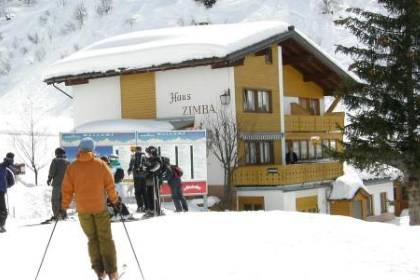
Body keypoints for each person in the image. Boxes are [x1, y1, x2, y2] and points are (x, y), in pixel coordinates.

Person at [61, 137, 121, 280]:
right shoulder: (101, 165)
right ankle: (112, 272)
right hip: (100, 208)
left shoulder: (72, 167)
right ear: (93, 149)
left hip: (83, 210)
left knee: (92, 239)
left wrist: (63, 207)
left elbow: (67, 189)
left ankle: (99, 271)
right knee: (105, 239)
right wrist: (115, 201)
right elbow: (110, 185)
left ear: (80, 149)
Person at [46, 147, 69, 222]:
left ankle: (57, 215)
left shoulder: (56, 160)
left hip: (57, 184)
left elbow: (52, 170)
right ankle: (64, 215)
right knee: (63, 200)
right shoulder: (68, 161)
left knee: (55, 200)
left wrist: (49, 179)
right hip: (66, 184)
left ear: (57, 153)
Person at [144, 146, 165, 218]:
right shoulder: (150, 159)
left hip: (156, 179)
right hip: (150, 180)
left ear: (153, 152)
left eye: (149, 153)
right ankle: (151, 209)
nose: (148, 154)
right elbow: (149, 167)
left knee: (155, 195)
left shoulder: (158, 158)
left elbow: (156, 167)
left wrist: (148, 168)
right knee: (149, 195)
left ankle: (157, 210)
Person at [127, 147, 147, 212]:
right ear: (141, 150)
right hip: (144, 176)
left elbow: (131, 164)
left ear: (136, 150)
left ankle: (140, 206)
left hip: (137, 175)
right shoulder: (145, 156)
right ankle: (146, 206)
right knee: (144, 191)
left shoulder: (134, 156)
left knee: (137, 192)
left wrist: (129, 170)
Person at [0, 152, 15, 233]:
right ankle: (1, 225)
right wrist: (6, 186)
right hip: (1, 190)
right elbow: (12, 181)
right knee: (2, 209)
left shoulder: (2, 166)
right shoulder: (8, 167)